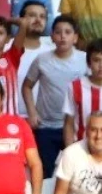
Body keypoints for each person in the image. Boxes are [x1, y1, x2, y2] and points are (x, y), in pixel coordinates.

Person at [22, 15, 88, 176]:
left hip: (76, 126)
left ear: (75, 37)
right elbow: (27, 86)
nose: (63, 36)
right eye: (58, 32)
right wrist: (32, 113)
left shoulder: (85, 59)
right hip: (46, 126)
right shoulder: (42, 60)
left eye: (67, 32)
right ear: (52, 37)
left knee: (77, 172)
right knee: (44, 171)